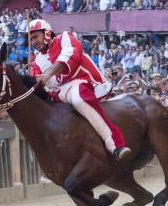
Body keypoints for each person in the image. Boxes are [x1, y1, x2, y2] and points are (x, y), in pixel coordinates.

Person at [28, 19, 132, 161]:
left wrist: (47, 74)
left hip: (83, 81)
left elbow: (72, 55)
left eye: (35, 37)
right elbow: (43, 88)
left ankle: (115, 144)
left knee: (78, 99)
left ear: (46, 34)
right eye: (31, 39)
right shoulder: (35, 62)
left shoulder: (64, 37)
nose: (33, 42)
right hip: (60, 95)